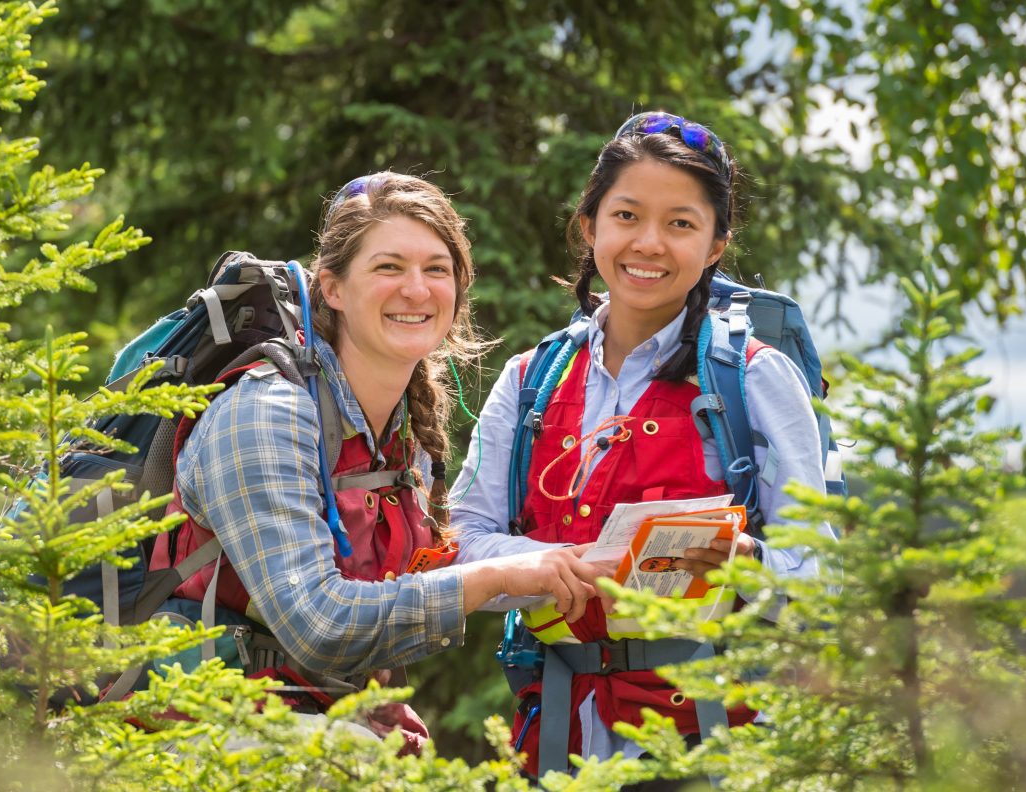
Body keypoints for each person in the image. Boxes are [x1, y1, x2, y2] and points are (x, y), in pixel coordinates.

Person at [151, 171, 614, 751]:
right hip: (194, 729)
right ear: (334, 288)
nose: (416, 290)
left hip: (310, 721)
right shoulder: (267, 413)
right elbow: (318, 625)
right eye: (389, 267)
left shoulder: (400, 428)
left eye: (436, 269)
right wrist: (495, 576)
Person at [449, 112, 839, 776]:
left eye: (681, 223)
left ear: (716, 245)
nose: (649, 243)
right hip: (555, 738)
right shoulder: (529, 381)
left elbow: (821, 569)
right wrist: (558, 566)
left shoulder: (754, 378)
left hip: (714, 742)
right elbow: (462, 536)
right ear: (590, 225)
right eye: (627, 215)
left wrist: (746, 560)